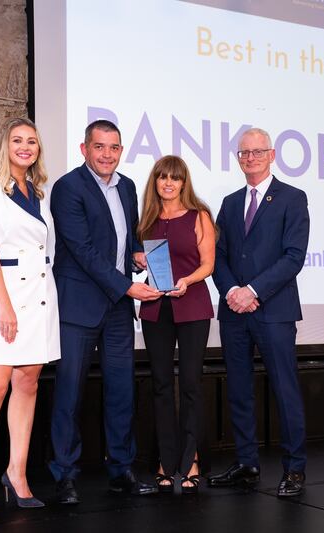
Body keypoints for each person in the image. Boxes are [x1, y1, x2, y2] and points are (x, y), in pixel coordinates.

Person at [49, 119, 160, 504]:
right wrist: (126, 285)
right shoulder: (67, 188)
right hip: (78, 306)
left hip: (116, 308)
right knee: (69, 393)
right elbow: (82, 251)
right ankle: (64, 475)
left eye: (114, 148)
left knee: (121, 391)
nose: (107, 155)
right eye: (100, 147)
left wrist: (138, 255)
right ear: (84, 149)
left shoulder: (127, 187)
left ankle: (121, 470)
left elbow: (125, 238)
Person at [0, 117, 60, 523]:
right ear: (5, 146)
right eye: (18, 140)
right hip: (2, 295)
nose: (25, 147)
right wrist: (3, 305)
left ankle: (16, 474)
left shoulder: (38, 191)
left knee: (28, 381)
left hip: (38, 296)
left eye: (32, 141)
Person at [207, 127, 310, 498]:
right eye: (243, 153)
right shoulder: (230, 202)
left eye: (257, 152)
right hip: (235, 312)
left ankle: (294, 469)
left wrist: (253, 291)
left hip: (274, 311)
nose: (249, 158)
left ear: (272, 154)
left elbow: (293, 257)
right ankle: (247, 463)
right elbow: (217, 256)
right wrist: (233, 290)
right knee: (239, 390)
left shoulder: (293, 198)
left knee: (285, 390)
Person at [138, 155, 216, 494]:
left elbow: (208, 264)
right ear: (155, 182)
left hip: (192, 306)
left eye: (175, 178)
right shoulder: (147, 221)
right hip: (156, 309)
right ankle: (166, 462)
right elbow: (137, 256)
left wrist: (187, 280)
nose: (168, 183)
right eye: (162, 177)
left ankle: (190, 459)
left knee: (189, 384)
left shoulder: (200, 217)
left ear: (184, 182)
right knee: (159, 384)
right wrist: (136, 257)